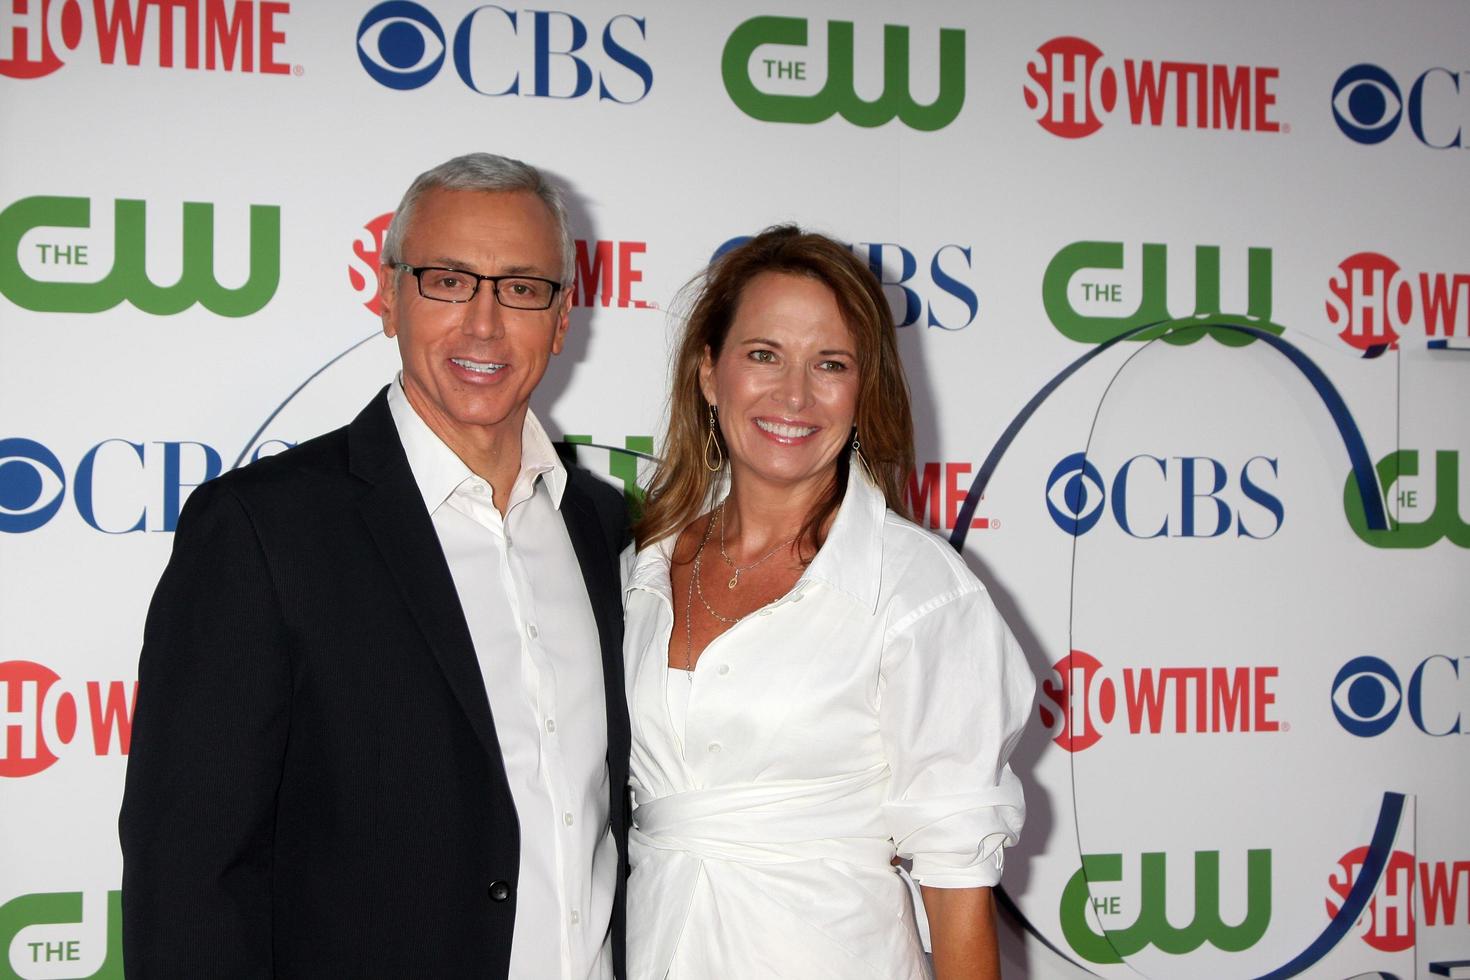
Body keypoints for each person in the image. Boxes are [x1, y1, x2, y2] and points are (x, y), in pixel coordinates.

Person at [119, 153, 630, 980]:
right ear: (387, 296)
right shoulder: (260, 530)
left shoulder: (604, 528)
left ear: (562, 318)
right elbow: (190, 879)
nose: (484, 324)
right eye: (447, 281)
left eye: (522, 288)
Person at [622, 226, 1034, 979]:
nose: (794, 394)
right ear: (709, 373)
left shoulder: (918, 593)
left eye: (831, 364)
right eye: (764, 354)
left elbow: (958, 891)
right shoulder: (639, 569)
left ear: (862, 390)